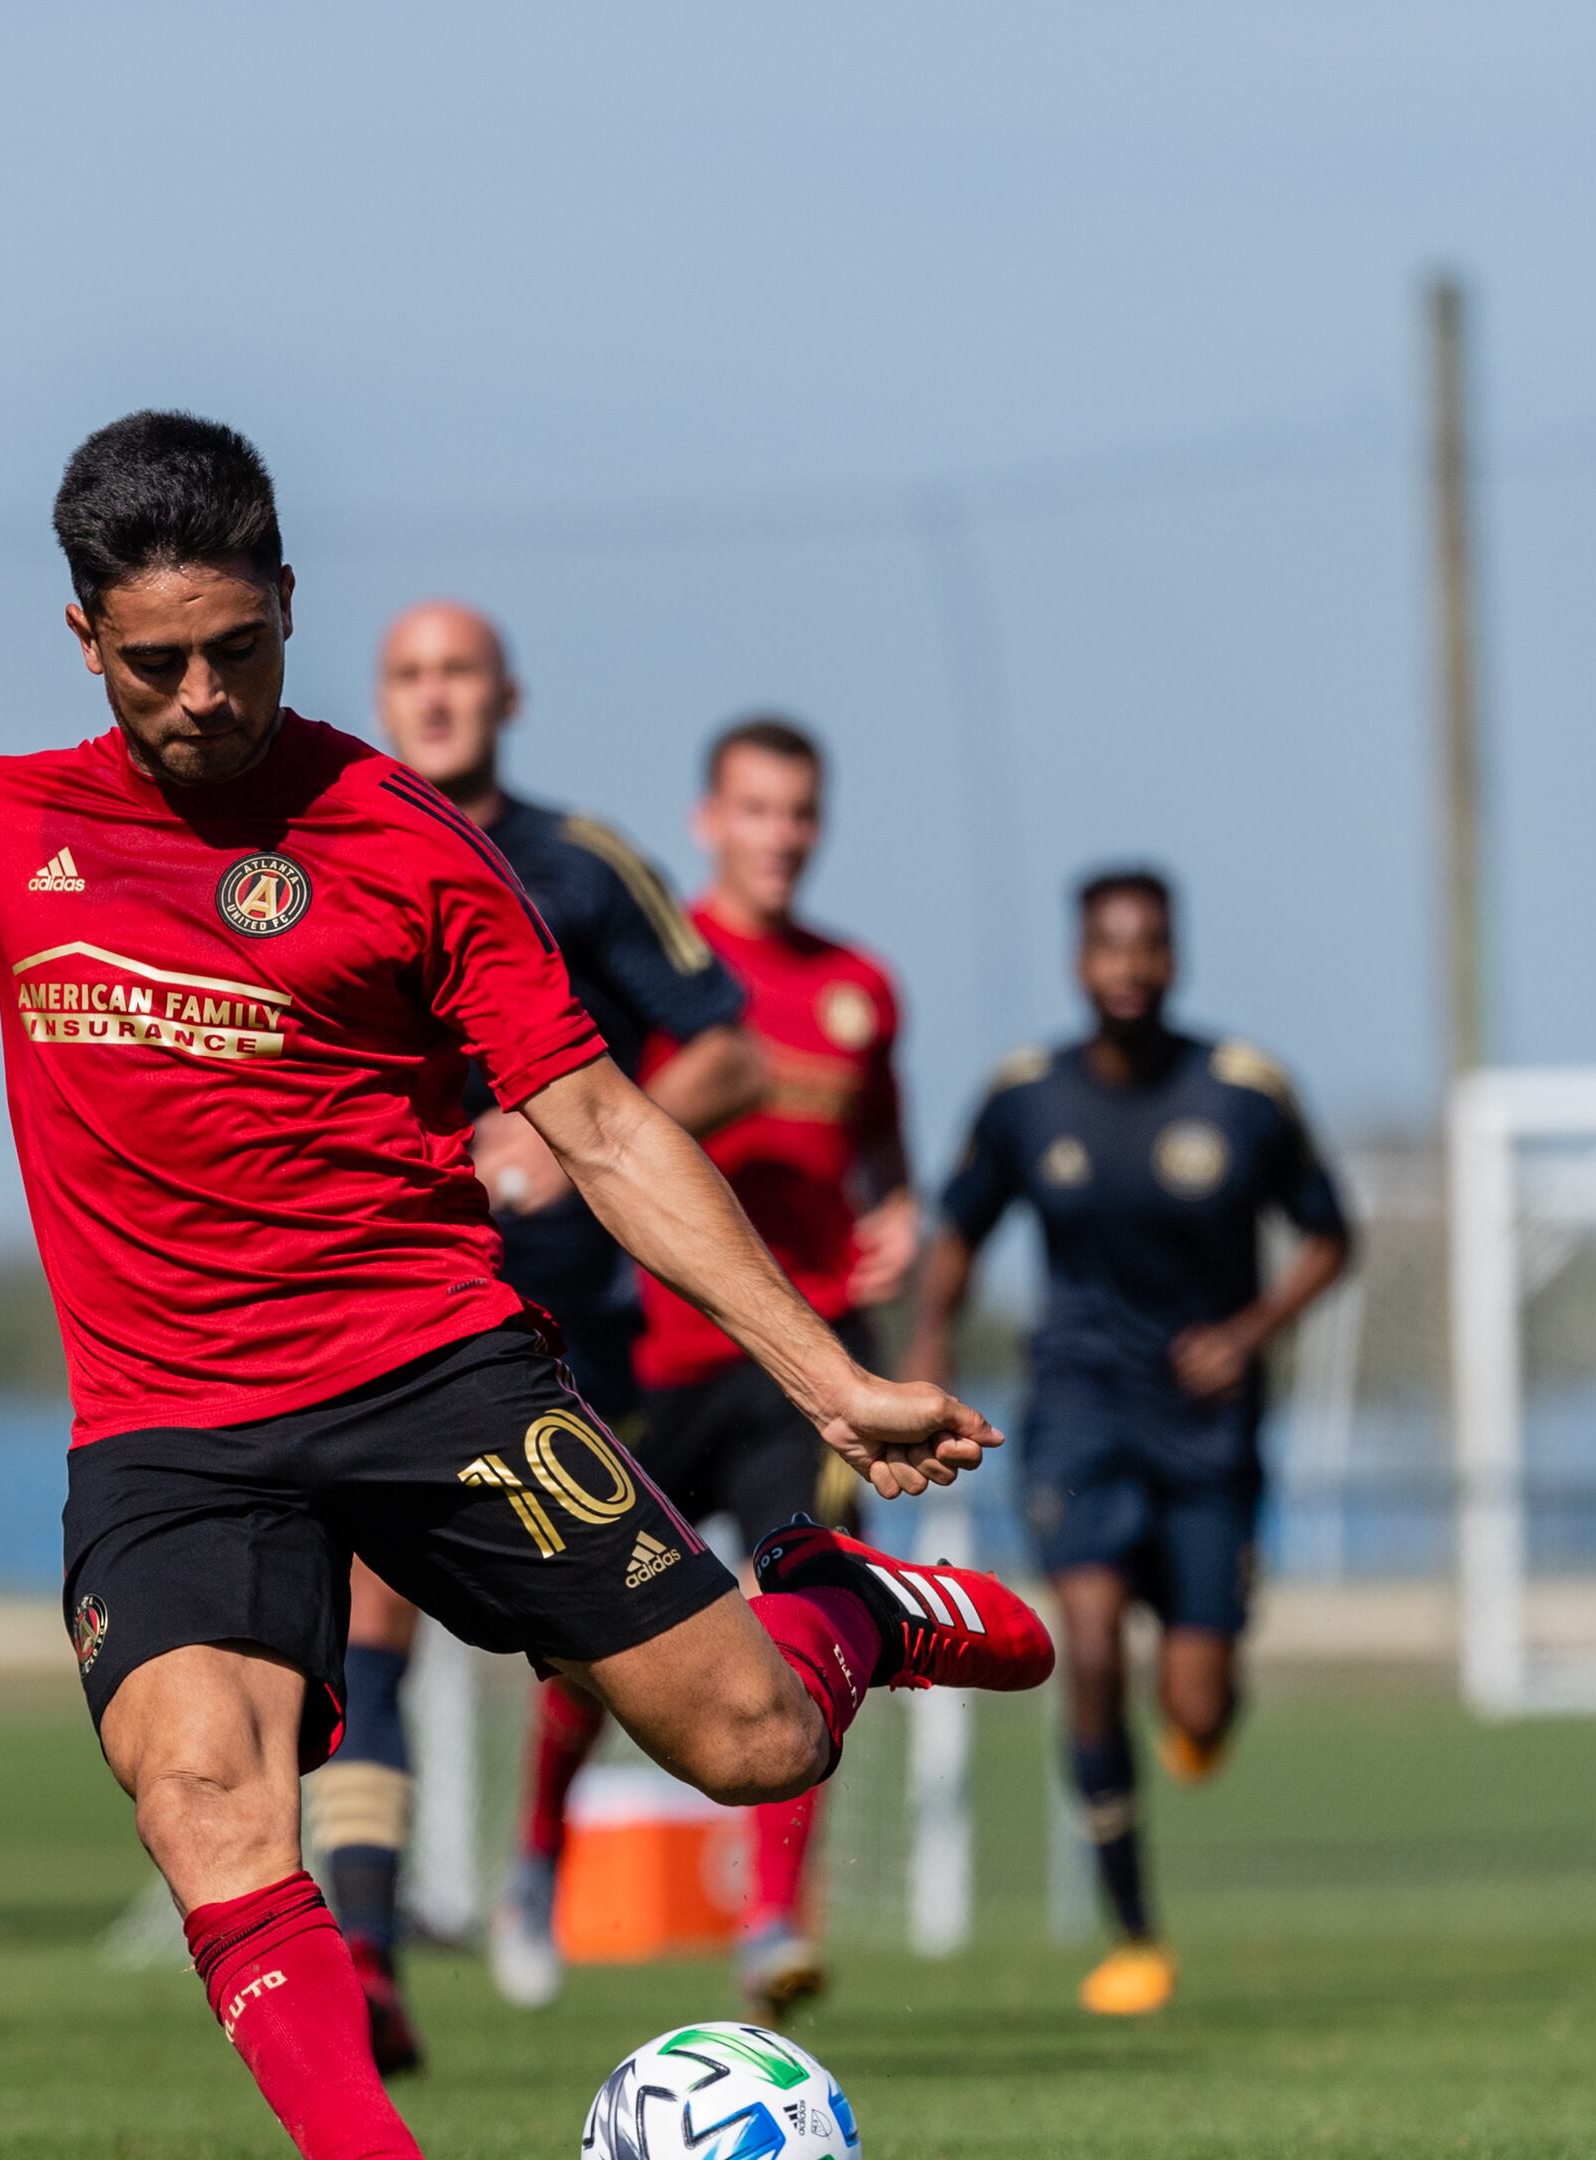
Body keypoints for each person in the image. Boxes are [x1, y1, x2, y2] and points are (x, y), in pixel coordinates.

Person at [0, 411, 1048, 2160]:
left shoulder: (400, 839)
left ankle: (852, 1607)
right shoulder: (13, 822)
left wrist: (825, 1381)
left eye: (237, 652)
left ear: (290, 607)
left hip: (433, 1368)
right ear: (83, 637)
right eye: (157, 661)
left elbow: (609, 1127)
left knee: (757, 1744)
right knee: (202, 1795)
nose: (200, 696)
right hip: (172, 1428)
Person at [312, 601, 766, 2068]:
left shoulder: (579, 862)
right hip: (397, 1308)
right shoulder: (321, 852)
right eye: (409, 675)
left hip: (575, 1328)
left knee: (611, 1652)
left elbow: (729, 1043)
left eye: (459, 672)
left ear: (507, 693)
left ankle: (536, 1857)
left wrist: (564, 1143)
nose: (435, 696)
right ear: (378, 696)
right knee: (366, 1623)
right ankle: (369, 1958)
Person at [506, 714, 916, 2025]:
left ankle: (776, 1917)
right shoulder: (657, 963)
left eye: (800, 812)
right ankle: (534, 1866)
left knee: (802, 1607)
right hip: (660, 1359)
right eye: (756, 810)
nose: (779, 836)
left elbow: (882, 1162)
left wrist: (897, 1216)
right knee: (596, 1640)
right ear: (709, 821)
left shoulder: (863, 989)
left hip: (803, 1371)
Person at [903, 866, 1351, 2018]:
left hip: (1207, 1429)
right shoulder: (1025, 1100)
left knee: (1196, 1704)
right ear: (1078, 960)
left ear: (1175, 957)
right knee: (1089, 1645)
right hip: (1081, 1410)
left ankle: (1202, 1696)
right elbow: (954, 1239)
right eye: (1109, 946)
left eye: (1149, 946)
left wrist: (1250, 1332)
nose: (1129, 967)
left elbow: (1329, 1236)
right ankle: (1135, 1933)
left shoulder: (1243, 1092)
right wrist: (924, 1364)